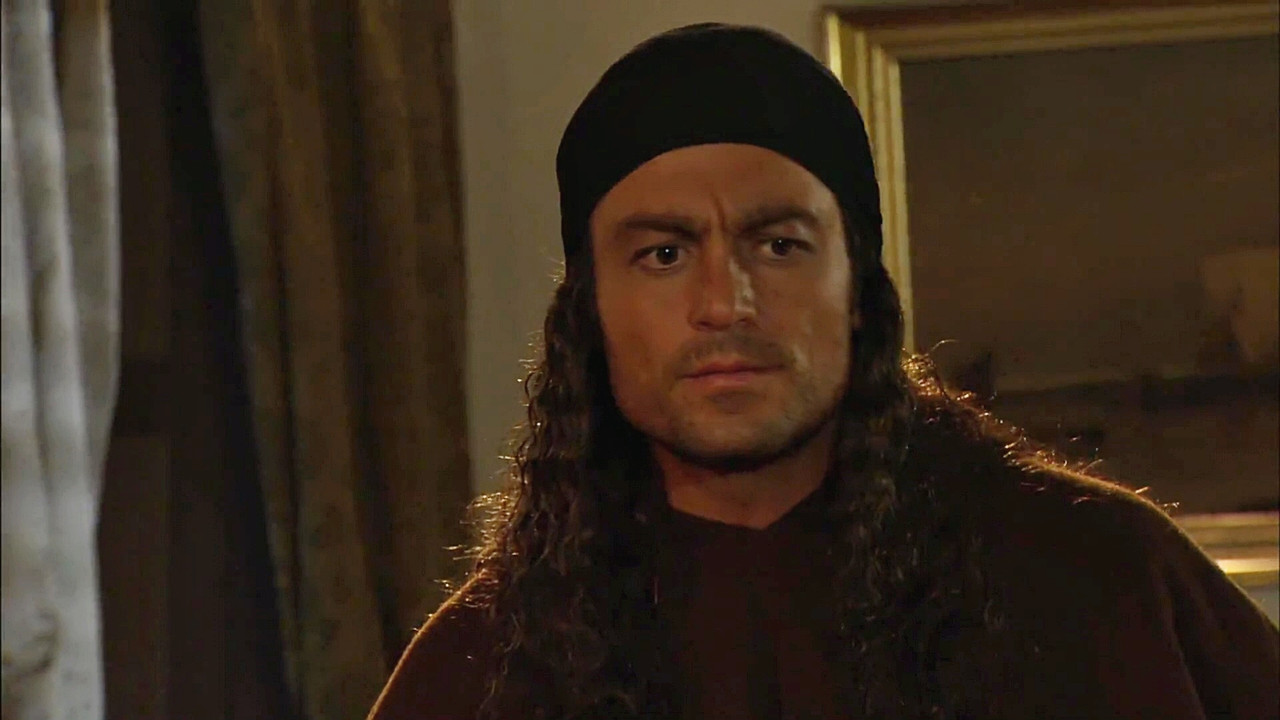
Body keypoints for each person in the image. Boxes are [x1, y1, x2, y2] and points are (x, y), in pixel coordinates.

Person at [368, 23, 1279, 720]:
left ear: (858, 290)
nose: (725, 301)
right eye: (663, 255)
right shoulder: (486, 665)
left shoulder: (1106, 578)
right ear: (590, 312)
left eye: (778, 244)